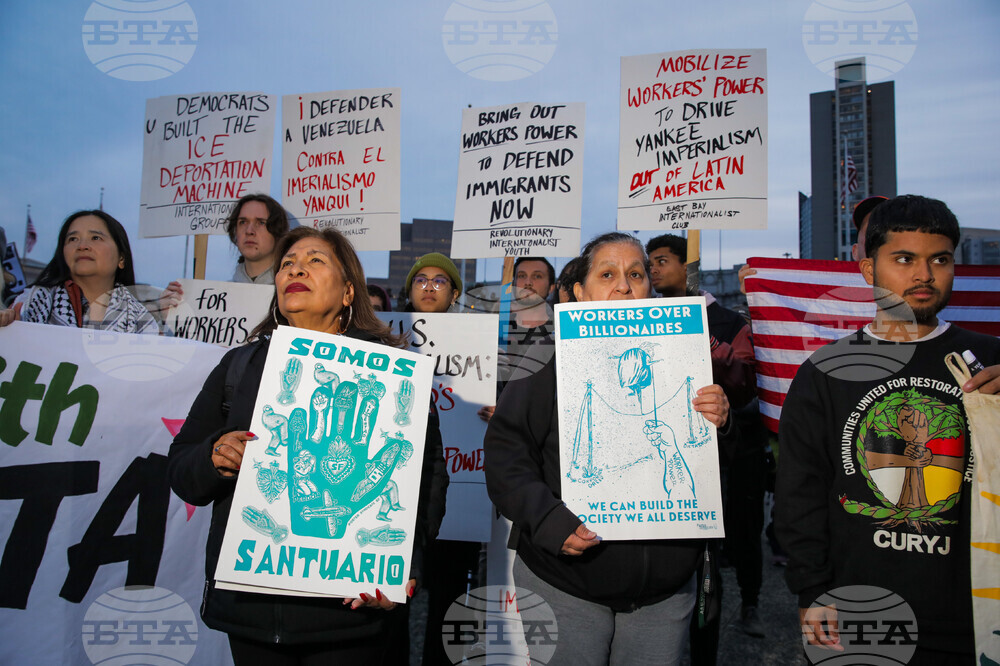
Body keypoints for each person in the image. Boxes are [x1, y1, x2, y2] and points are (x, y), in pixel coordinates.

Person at [167, 226, 448, 664]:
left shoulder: (396, 378)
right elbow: (182, 468)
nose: (295, 268)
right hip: (253, 615)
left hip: (351, 618)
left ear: (349, 291)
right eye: (286, 264)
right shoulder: (238, 366)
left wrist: (403, 571)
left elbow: (427, 483)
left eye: (315, 260)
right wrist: (214, 458)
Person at [485, 232, 735, 665]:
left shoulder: (686, 358)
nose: (624, 285)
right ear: (580, 293)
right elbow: (507, 455)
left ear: (650, 288)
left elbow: (713, 467)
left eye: (636, 274)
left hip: (664, 588)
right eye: (608, 274)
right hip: (568, 578)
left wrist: (720, 423)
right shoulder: (544, 360)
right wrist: (548, 521)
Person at [775, 195, 1000, 664]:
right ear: (868, 270)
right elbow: (800, 492)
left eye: (939, 259)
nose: (924, 275)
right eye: (904, 259)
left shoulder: (992, 361)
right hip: (862, 610)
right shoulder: (826, 370)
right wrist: (811, 588)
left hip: (975, 613)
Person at [647, 233, 762, 656]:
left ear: (687, 265)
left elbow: (747, 381)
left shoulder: (730, 322)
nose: (654, 270)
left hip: (724, 457)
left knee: (725, 547)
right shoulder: (641, 316)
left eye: (662, 261)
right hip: (663, 454)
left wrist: (697, 338)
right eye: (650, 262)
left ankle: (743, 609)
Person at [0, 210, 158, 333]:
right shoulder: (26, 305)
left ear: (121, 259)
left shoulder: (144, 322)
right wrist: (7, 328)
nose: (82, 246)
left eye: (96, 238)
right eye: (72, 239)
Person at [158, 194, 290, 313]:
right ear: (234, 231)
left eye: (261, 223)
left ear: (277, 231)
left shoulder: (292, 294)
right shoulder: (212, 301)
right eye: (243, 222)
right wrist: (170, 317)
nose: (249, 230)